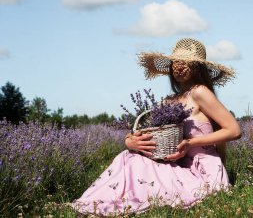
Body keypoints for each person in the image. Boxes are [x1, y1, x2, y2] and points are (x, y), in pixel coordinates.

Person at [71, 38, 241, 216]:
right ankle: (97, 203)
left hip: (202, 171)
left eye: (187, 62)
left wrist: (190, 142)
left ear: (198, 67)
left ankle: (105, 205)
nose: (179, 66)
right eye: (175, 62)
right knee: (128, 156)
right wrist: (130, 140)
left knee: (134, 163)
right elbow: (153, 133)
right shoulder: (170, 101)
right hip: (179, 165)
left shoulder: (199, 92)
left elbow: (234, 130)